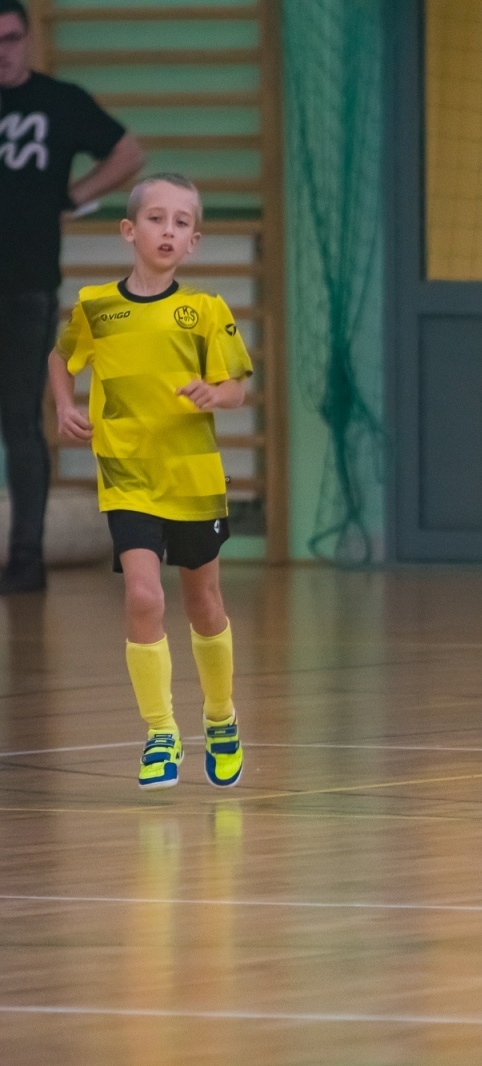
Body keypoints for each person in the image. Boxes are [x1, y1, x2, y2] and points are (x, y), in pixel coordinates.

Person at [47, 173, 252, 790]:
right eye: (157, 219)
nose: (169, 230)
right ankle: (161, 731)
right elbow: (61, 356)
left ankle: (220, 717)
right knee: (143, 596)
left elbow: (238, 389)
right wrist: (64, 405)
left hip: (192, 479)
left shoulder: (205, 311)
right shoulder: (94, 308)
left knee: (203, 603)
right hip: (127, 475)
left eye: (182, 222)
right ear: (129, 231)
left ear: (194, 241)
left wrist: (212, 393)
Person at [0, 0, 145, 594]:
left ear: (27, 39)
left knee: (19, 422)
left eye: (9, 38)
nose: (1, 52)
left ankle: (26, 561)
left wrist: (75, 195)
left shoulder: (59, 101)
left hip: (26, 286)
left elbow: (130, 151)